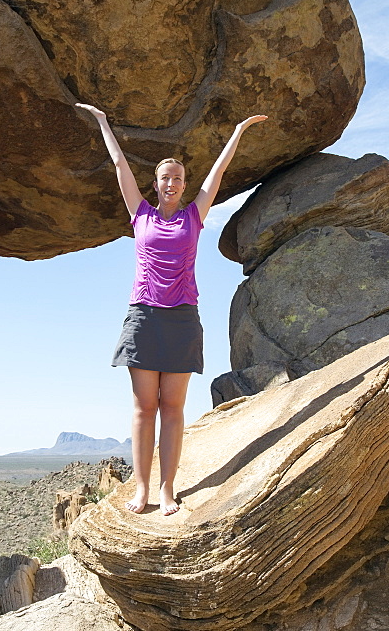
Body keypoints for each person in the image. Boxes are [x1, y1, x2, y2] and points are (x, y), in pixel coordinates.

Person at [75, 103, 267, 516]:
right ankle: (141, 489)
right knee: (144, 407)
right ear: (156, 183)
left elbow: (218, 173)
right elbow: (118, 165)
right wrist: (103, 123)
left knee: (173, 408)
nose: (172, 184)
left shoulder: (194, 217)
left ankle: (167, 489)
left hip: (181, 318)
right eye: (166, 178)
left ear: (184, 185)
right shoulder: (139, 214)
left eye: (178, 178)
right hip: (143, 316)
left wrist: (237, 131)